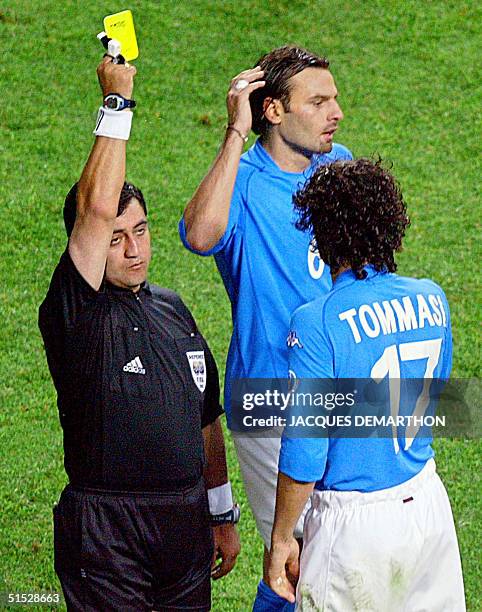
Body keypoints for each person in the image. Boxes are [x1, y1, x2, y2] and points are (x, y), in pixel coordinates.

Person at [38, 56, 239, 612]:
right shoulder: (75, 311)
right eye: (114, 237)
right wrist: (116, 104)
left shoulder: (174, 310)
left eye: (142, 231)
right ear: (87, 242)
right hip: (106, 530)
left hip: (185, 526)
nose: (133, 249)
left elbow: (206, 421)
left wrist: (220, 513)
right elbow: (96, 206)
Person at [179, 45, 352, 610]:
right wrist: (234, 134)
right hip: (269, 395)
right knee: (300, 559)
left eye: (334, 98)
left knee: (341, 550)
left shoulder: (338, 165)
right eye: (319, 101)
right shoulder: (245, 182)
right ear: (273, 111)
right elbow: (201, 236)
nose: (336, 112)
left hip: (339, 388)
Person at [267, 158, 466, 611]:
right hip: (427, 508)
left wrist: (281, 538)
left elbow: (305, 451)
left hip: (354, 531)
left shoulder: (317, 322)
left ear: (321, 235)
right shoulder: (431, 298)